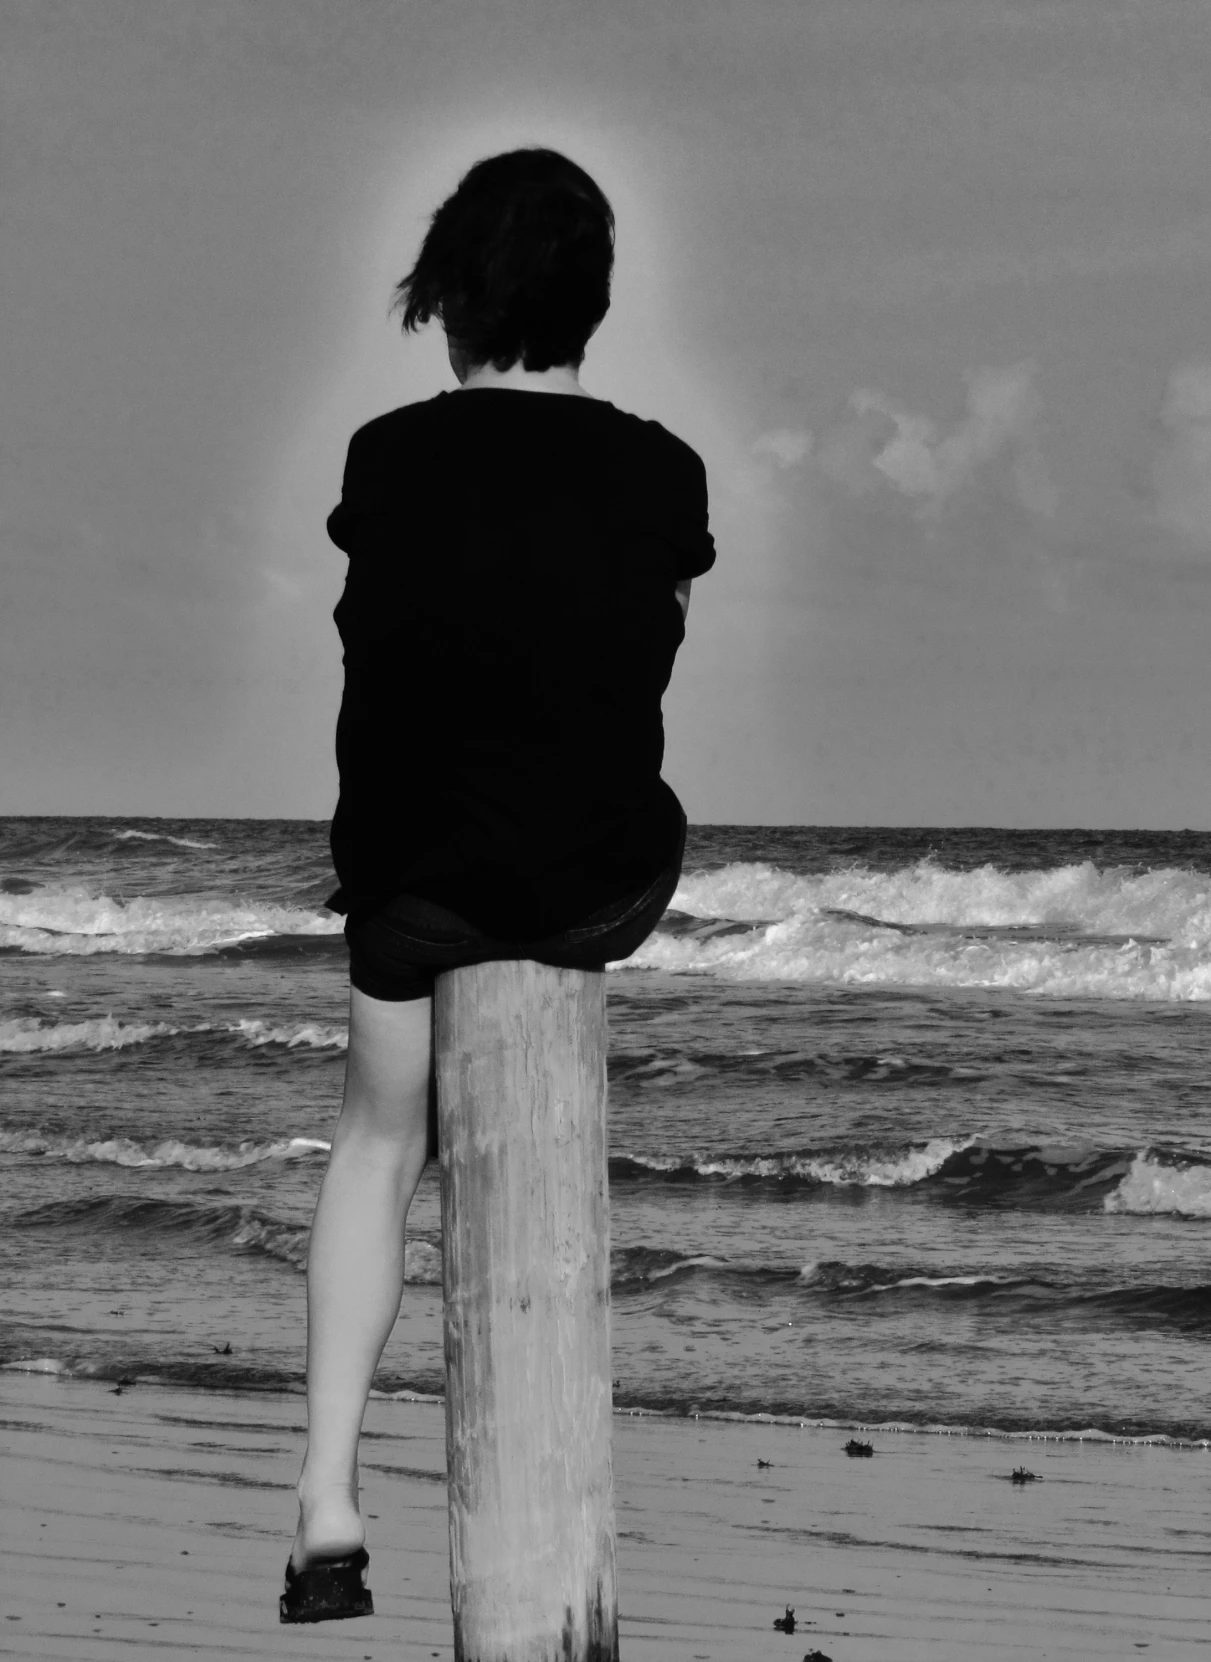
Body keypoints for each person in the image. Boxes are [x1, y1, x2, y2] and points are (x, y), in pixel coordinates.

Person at [282, 147, 715, 1624]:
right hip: (598, 878)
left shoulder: (385, 457)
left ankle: (327, 1492)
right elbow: (640, 632)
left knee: (376, 1137)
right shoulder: (663, 468)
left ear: (453, 302)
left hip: (414, 880)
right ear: (593, 304)